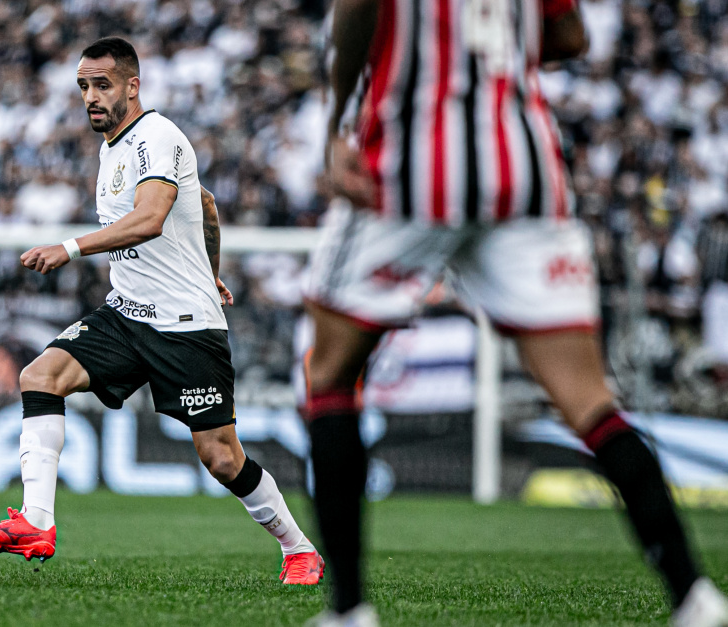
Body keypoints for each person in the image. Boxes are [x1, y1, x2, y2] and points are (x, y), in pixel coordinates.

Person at [302, 0, 728, 625]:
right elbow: (571, 34)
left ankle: (348, 611)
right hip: (524, 171)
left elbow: (358, 10)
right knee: (588, 399)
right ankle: (695, 595)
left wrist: (340, 119)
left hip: (407, 170)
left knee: (330, 377)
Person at [0, 37, 324, 585]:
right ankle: (37, 522)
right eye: (83, 87)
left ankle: (299, 547)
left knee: (221, 457)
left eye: (102, 85)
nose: (91, 97)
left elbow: (150, 219)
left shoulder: (157, 136)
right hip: (127, 314)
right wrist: (210, 267)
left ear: (131, 86)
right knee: (40, 376)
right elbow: (206, 204)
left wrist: (69, 248)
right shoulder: (112, 147)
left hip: (184, 327)